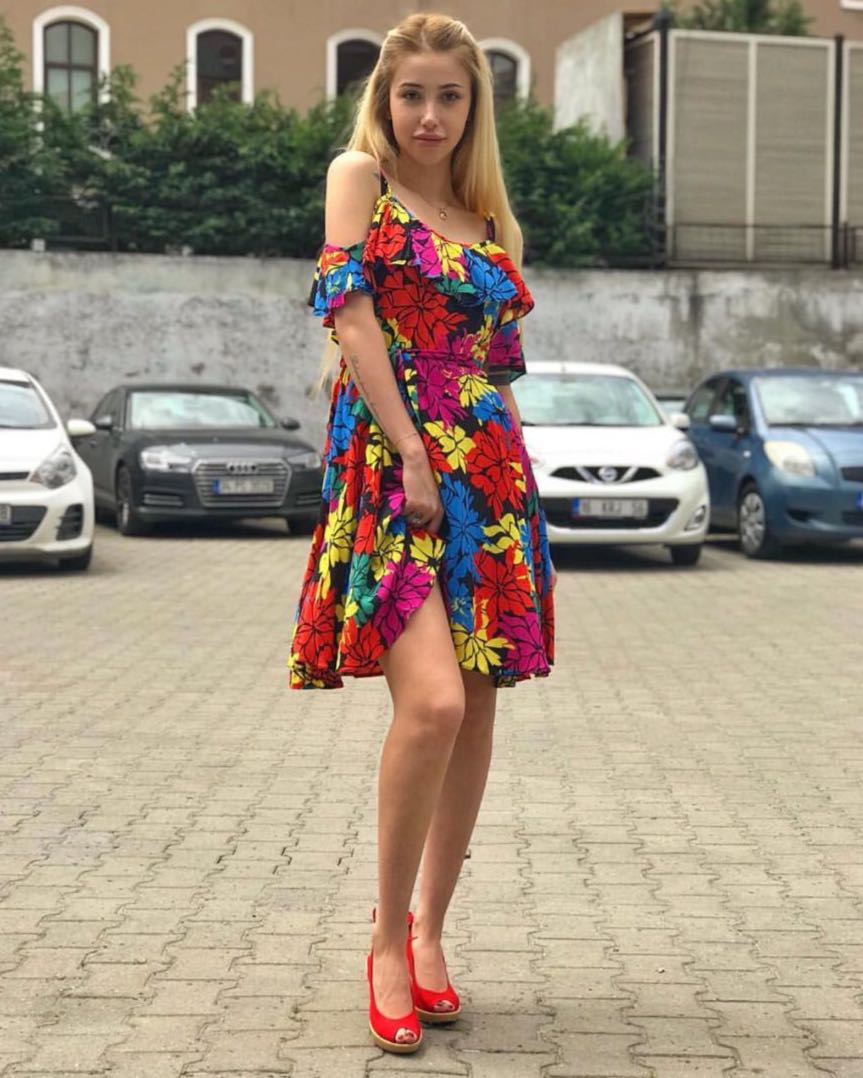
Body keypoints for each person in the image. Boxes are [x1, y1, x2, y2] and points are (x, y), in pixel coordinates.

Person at [289, 12, 555, 1054]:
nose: (429, 114)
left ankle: (432, 933)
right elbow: (351, 317)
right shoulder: (359, 177)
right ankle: (386, 939)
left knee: (476, 704)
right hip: (391, 465)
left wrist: (516, 499)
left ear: (472, 106)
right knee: (434, 701)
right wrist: (408, 450)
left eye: (450, 96)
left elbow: (494, 373)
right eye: (412, 94)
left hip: (488, 476)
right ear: (384, 100)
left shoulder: (486, 223)